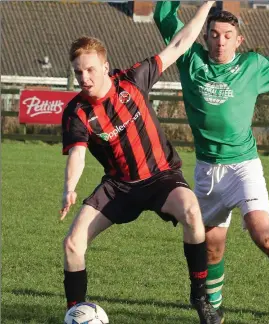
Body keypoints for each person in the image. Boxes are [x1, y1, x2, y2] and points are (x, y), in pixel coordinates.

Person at [154, 2, 269, 321]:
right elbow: (163, 16)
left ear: (239, 40)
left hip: (244, 168)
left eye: (228, 35)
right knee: (212, 248)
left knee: (263, 235)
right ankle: (213, 311)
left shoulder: (253, 65)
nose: (220, 41)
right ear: (205, 37)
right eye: (213, 34)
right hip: (207, 171)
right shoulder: (189, 58)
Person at [59, 2, 224, 323]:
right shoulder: (77, 112)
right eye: (78, 71)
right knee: (73, 244)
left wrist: (206, 6)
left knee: (192, 211)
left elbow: (179, 44)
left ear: (105, 66)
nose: (84, 77)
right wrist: (69, 188)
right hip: (119, 186)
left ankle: (200, 297)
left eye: (90, 69)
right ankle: (75, 312)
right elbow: (77, 153)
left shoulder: (133, 80)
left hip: (161, 178)